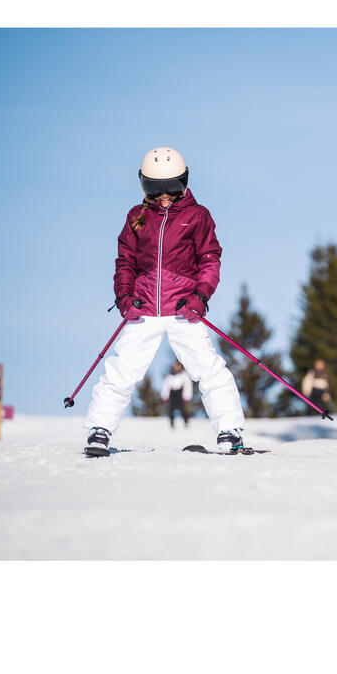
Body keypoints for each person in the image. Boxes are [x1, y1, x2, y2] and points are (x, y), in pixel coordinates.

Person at [82, 147, 246, 456]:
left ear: (184, 182)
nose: (165, 196)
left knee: (209, 369)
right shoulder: (137, 216)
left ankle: (229, 430)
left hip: (185, 309)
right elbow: (125, 262)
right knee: (121, 369)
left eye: (172, 187)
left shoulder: (197, 216)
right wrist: (125, 298)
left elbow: (210, 260)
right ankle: (99, 429)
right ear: (144, 185)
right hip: (144, 309)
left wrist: (200, 296)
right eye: (155, 189)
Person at [161, 361, 193, 428]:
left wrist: (187, 396)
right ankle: (172, 422)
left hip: (180, 393)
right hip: (172, 393)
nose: (176, 367)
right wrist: (164, 396)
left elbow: (188, 386)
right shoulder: (169, 376)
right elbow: (166, 387)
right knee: (171, 408)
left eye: (178, 366)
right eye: (175, 366)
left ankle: (186, 421)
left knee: (182, 409)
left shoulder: (184, 375)